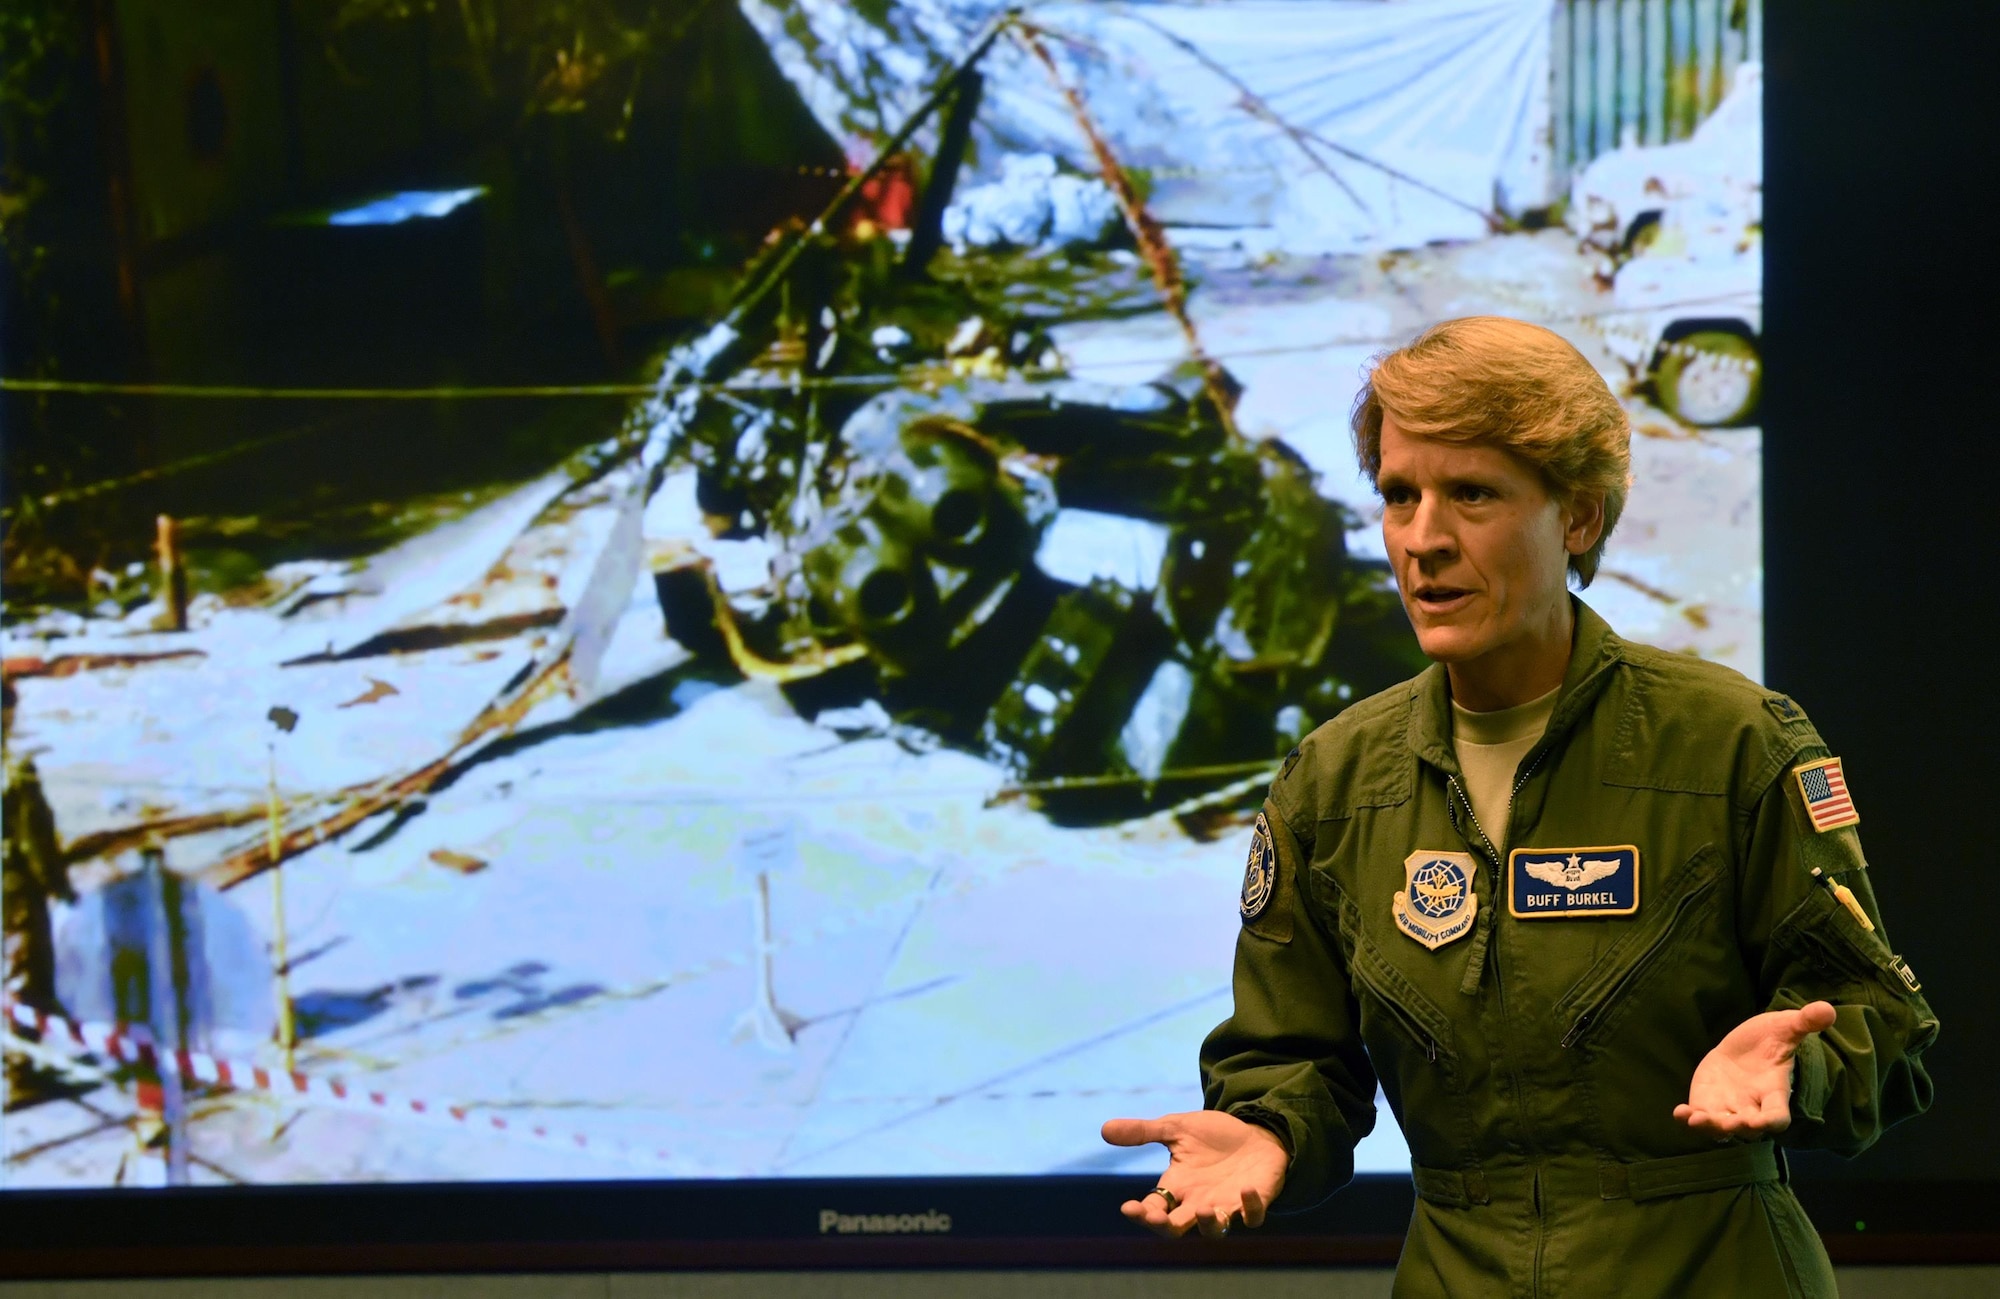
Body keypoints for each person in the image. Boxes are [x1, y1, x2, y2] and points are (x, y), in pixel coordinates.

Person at [1101, 317, 1938, 1297]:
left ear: (1575, 517)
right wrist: (1263, 1131)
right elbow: (1291, 1058)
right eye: (1398, 495)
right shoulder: (1330, 785)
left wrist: (1797, 1069)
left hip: (1710, 1268)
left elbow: (1883, 1021)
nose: (1422, 540)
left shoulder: (1731, 744)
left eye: (1471, 495)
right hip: (1458, 1272)